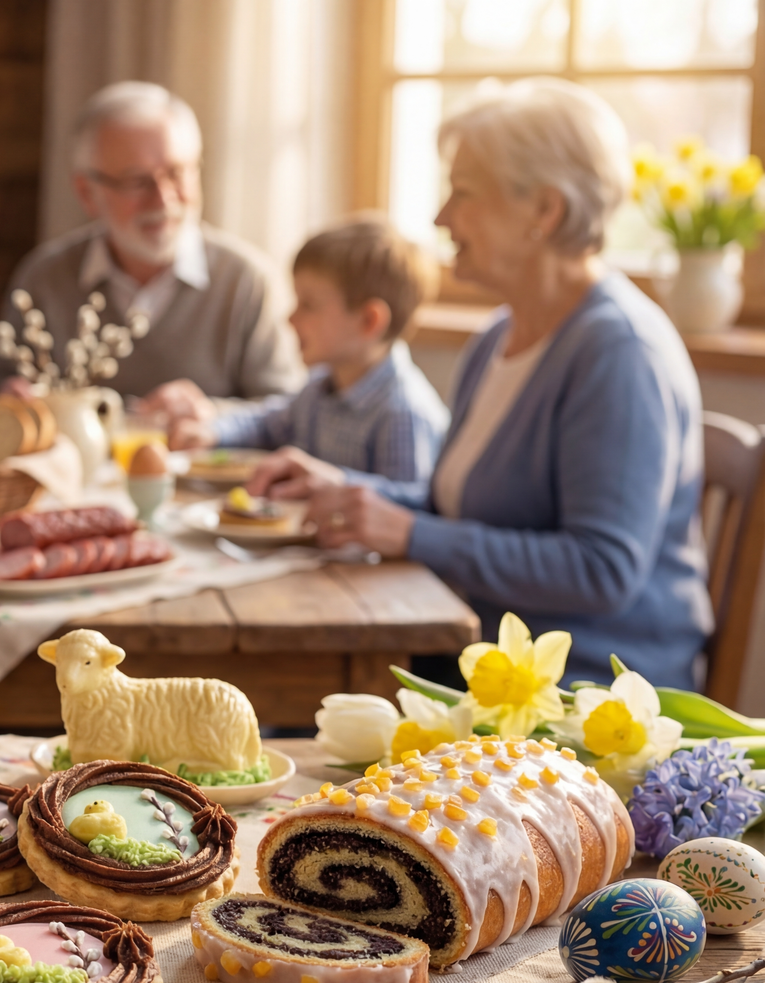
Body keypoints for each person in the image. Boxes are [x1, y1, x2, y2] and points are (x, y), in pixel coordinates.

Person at [251, 79, 710, 687]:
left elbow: (602, 569)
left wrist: (410, 532)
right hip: (478, 656)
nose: (441, 216)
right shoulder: (499, 336)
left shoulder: (619, 354)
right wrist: (346, 492)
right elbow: (456, 512)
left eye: (462, 192)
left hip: (592, 695)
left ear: (544, 212)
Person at [0, 81, 304, 404]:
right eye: (137, 182)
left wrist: (212, 417)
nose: (163, 199)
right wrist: (13, 400)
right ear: (88, 193)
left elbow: (285, 414)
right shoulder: (45, 278)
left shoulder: (246, 282)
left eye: (177, 173)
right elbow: (6, 391)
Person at [153, 216, 449, 485]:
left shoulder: (403, 412)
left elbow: (406, 506)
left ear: (369, 321)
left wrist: (331, 482)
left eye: (308, 305)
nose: (290, 318)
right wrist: (214, 431)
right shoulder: (318, 388)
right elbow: (266, 423)